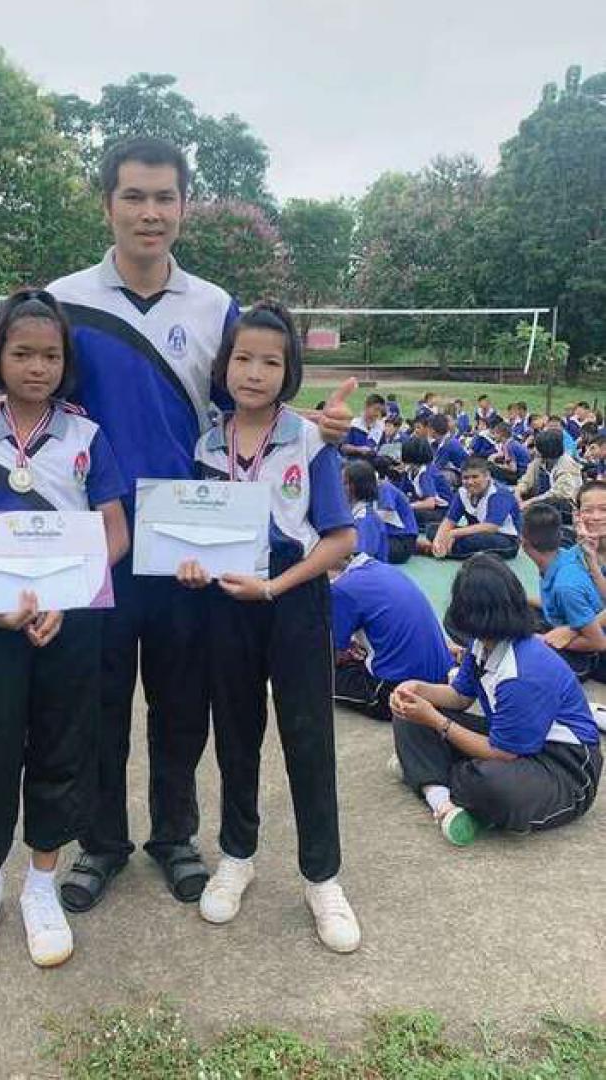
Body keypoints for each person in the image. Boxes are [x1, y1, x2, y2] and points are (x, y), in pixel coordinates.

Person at [0, 137, 357, 913]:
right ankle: (100, 842)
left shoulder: (215, 307)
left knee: (180, 701)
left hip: (185, 542)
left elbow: (250, 398)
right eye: (134, 196)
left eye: (165, 197)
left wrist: (317, 425)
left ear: (184, 206)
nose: (150, 212)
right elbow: (28, 381)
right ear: (108, 204)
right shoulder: (66, 298)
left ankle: (174, 835)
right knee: (93, 702)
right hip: (90, 540)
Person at [0, 290, 129, 966]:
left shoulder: (86, 438)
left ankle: (42, 885)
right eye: (22, 353)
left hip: (68, 625)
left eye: (50, 355)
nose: (37, 367)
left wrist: (66, 599)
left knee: (61, 747)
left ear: (66, 362)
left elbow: (116, 534)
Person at [176, 301, 361, 951]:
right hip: (226, 600)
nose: (254, 373)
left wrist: (276, 587)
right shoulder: (207, 444)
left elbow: (340, 539)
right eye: (243, 358)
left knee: (307, 737)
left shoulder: (309, 441)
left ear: (289, 373)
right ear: (223, 366)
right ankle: (237, 856)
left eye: (270, 362)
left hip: (293, 597)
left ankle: (322, 878)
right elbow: (192, 529)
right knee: (235, 732)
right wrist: (191, 566)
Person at [391, 554, 601, 846]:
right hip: (513, 744)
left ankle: (426, 772)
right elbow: (460, 696)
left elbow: (502, 754)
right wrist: (419, 690)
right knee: (408, 717)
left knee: (491, 785)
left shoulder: (523, 671)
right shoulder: (483, 644)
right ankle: (441, 799)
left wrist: (437, 722)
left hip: (564, 767)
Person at [332, 552, 452, 719]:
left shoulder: (340, 589)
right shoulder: (382, 568)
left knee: (315, 674)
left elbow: (331, 656)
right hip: (441, 686)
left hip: (397, 692)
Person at [521, 503, 606, 679]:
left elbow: (598, 643)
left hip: (593, 653)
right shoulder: (567, 554)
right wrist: (522, 597)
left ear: (524, 543)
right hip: (579, 620)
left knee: (525, 652)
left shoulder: (565, 586)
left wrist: (545, 640)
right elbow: (553, 604)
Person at [429, 455, 521, 560]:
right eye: (466, 478)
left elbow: (491, 527)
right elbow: (449, 520)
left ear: (487, 476)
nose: (470, 482)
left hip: (505, 538)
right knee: (432, 529)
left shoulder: (499, 494)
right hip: (475, 533)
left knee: (473, 542)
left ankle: (436, 549)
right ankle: (442, 548)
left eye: (475, 477)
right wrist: (438, 539)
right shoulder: (462, 492)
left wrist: (452, 534)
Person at [517, 428, 583, 510]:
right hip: (541, 501)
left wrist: (529, 502)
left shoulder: (567, 465)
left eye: (536, 448)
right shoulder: (538, 461)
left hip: (564, 507)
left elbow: (558, 494)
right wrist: (518, 493)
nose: (534, 450)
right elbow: (526, 480)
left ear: (545, 449)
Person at [401, 436, 452, 532]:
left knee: (406, 512)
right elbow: (402, 494)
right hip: (429, 507)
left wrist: (406, 506)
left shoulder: (426, 472)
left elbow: (430, 503)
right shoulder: (410, 471)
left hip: (442, 511)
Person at [373, 456, 419, 564]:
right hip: (395, 538)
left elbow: (385, 512)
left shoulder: (384, 487)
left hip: (401, 543)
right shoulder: (382, 486)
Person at [343, 460, 388, 562]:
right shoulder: (353, 513)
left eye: (344, 483)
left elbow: (361, 559)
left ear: (354, 487)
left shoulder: (366, 519)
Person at [341, 392, 386, 458]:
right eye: (376, 409)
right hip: (352, 461)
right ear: (366, 407)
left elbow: (383, 448)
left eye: (380, 411)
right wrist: (359, 450)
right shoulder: (353, 425)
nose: (378, 413)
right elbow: (343, 448)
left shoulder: (380, 427)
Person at [488, 419, 530, 485]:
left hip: (520, 475)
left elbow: (513, 469)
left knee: (490, 467)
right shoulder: (512, 442)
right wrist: (495, 456)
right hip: (524, 471)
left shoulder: (509, 446)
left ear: (501, 434)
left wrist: (497, 465)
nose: (493, 436)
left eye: (495, 433)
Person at [429, 412, 468, 484]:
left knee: (436, 476)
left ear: (432, 430)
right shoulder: (442, 441)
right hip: (455, 471)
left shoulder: (449, 444)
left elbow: (437, 466)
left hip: (462, 475)